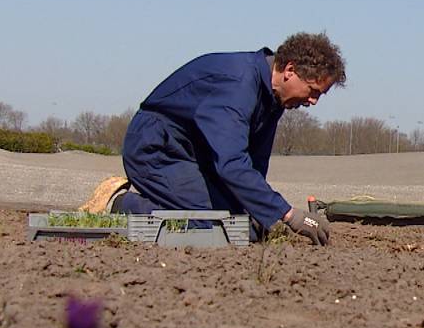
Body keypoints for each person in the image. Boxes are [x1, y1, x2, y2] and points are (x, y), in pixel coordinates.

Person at [81, 32, 344, 245]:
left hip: (195, 156)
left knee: (243, 225)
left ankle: (172, 201)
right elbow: (231, 163)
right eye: (313, 91)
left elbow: (254, 165)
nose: (312, 101)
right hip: (156, 149)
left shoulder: (274, 100)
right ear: (290, 69)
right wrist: (287, 214)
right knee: (216, 225)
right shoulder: (238, 85)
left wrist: (262, 211)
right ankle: (120, 203)